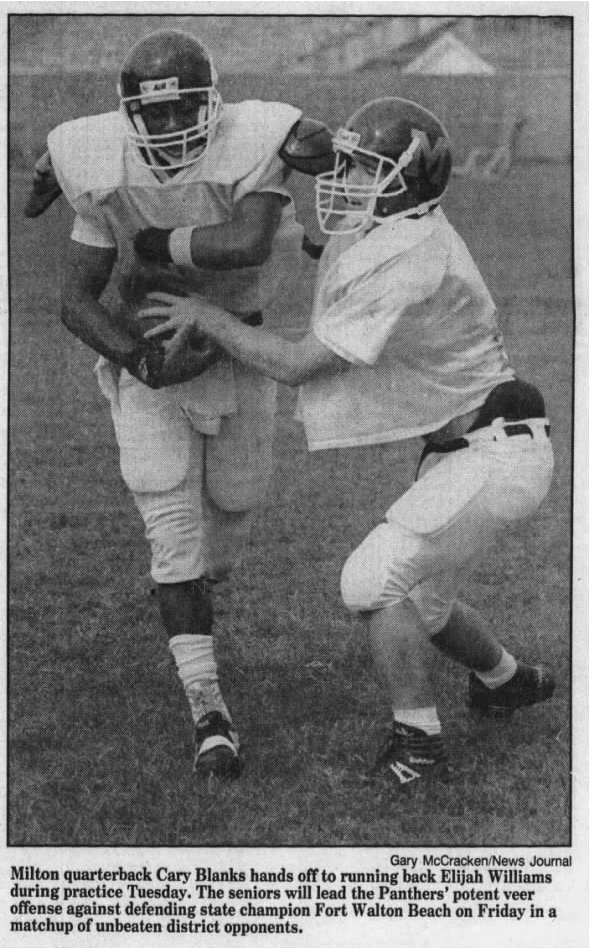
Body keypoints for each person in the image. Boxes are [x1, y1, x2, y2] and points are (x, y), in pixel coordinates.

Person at [142, 96, 556, 787]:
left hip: (496, 453)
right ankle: (505, 679)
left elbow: (300, 363)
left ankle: (418, 742)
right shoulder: (397, 229)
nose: (347, 181)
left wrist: (207, 316)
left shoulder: (410, 256)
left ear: (409, 179)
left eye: (365, 170)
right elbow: (329, 246)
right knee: (423, 605)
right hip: (478, 446)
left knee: (369, 581)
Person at [29, 29, 333, 780]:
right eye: (152, 114)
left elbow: (252, 243)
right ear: (128, 111)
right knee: (173, 532)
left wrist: (158, 245)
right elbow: (73, 297)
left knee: (231, 511)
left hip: (241, 348)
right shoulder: (95, 156)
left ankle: (192, 585)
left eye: (181, 110)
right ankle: (209, 711)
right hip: (153, 360)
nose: (167, 127)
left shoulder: (255, 135)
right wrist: (141, 359)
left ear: (214, 101)